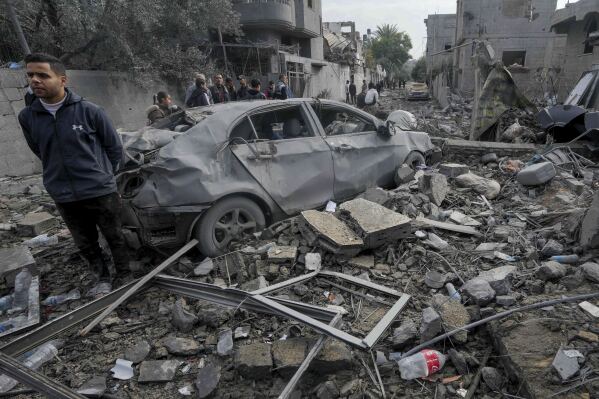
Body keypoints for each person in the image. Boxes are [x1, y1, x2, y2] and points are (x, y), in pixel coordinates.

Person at [18, 53, 129, 282]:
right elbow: (39, 150)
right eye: (30, 75)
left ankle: (125, 276)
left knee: (115, 236)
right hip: (63, 193)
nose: (35, 80)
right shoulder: (28, 117)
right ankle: (102, 278)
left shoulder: (90, 111)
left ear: (62, 80)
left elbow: (114, 148)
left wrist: (105, 177)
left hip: (100, 191)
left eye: (42, 75)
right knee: (85, 242)